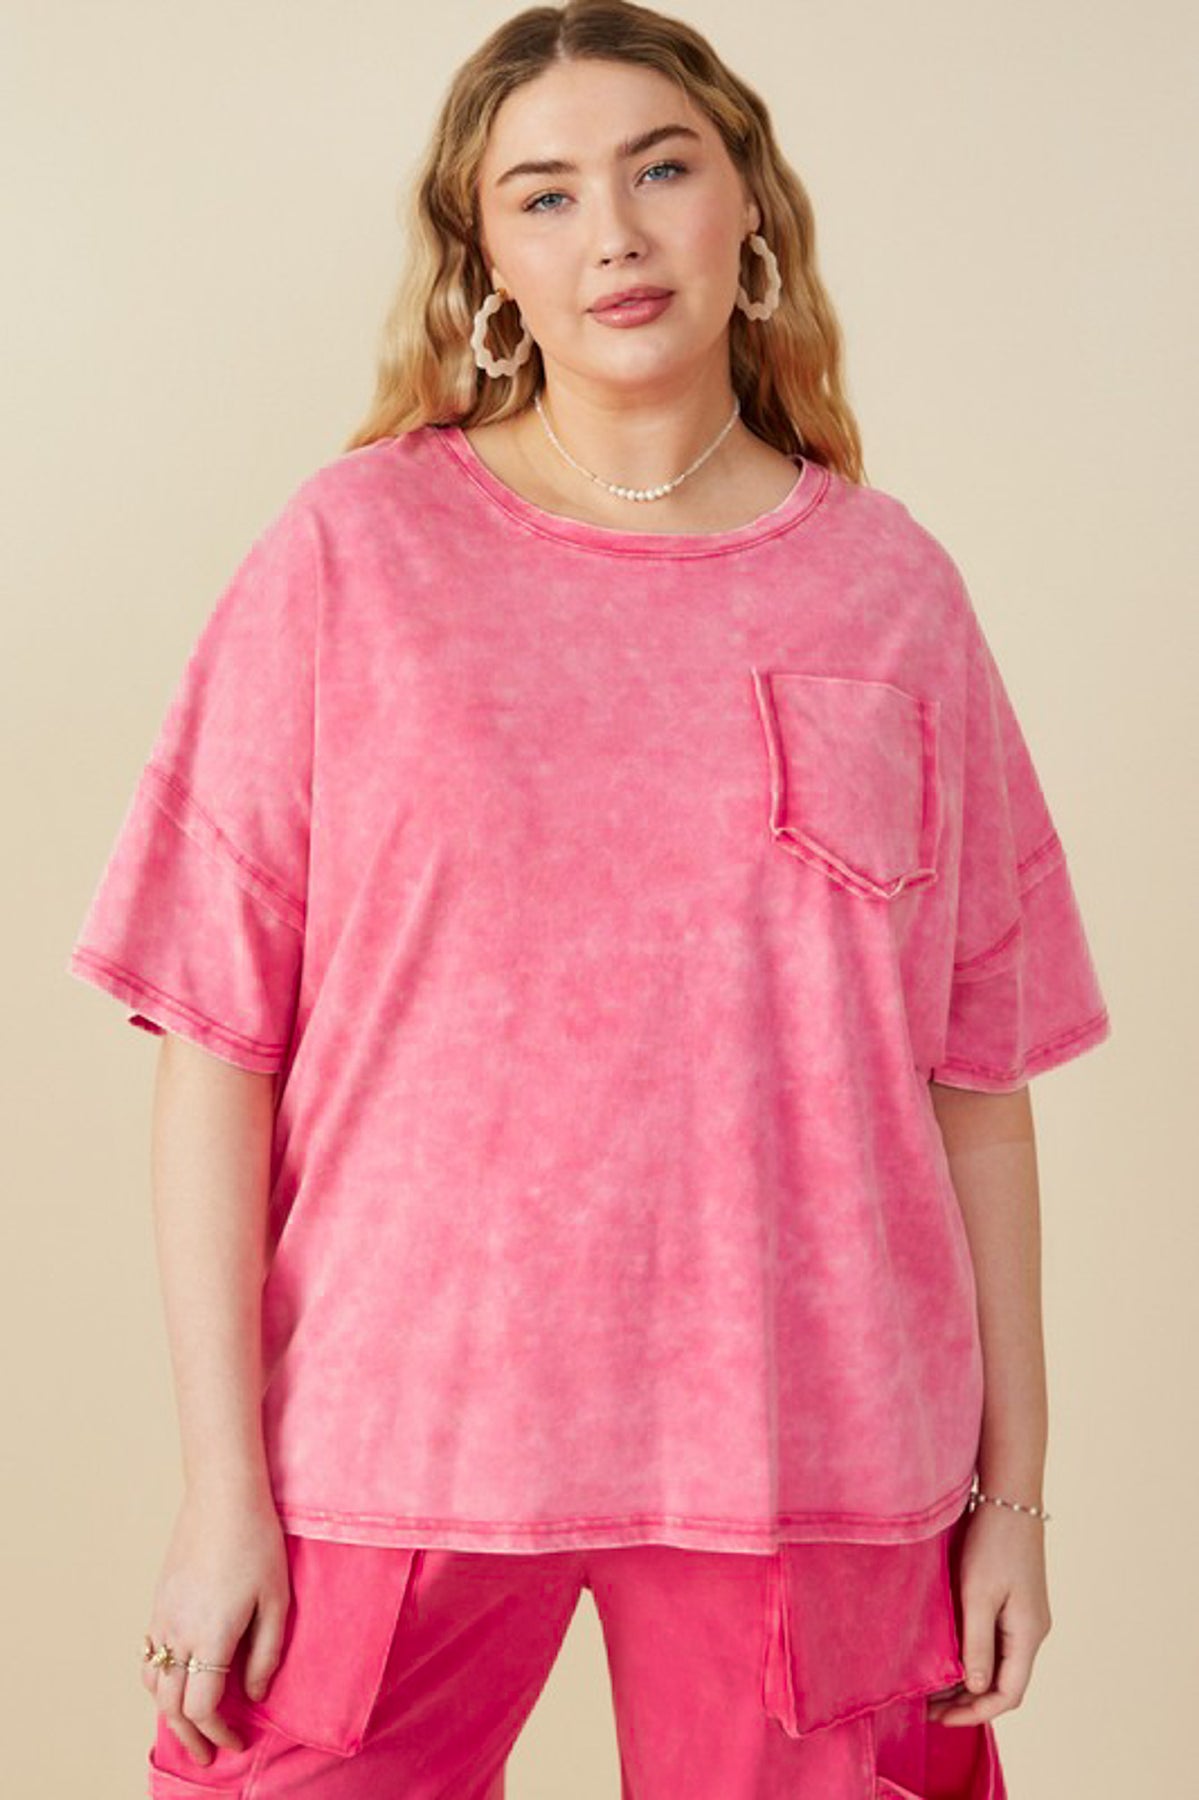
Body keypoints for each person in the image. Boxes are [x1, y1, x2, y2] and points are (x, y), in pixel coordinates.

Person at [67, 4, 1112, 1796]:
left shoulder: (891, 591)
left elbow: (976, 1083)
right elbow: (218, 1047)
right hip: (401, 1418)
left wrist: (1012, 1496)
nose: (613, 233)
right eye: (543, 196)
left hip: (815, 1445)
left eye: (660, 169)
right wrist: (221, 1490)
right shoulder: (354, 556)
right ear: (486, 264)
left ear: (749, 206)